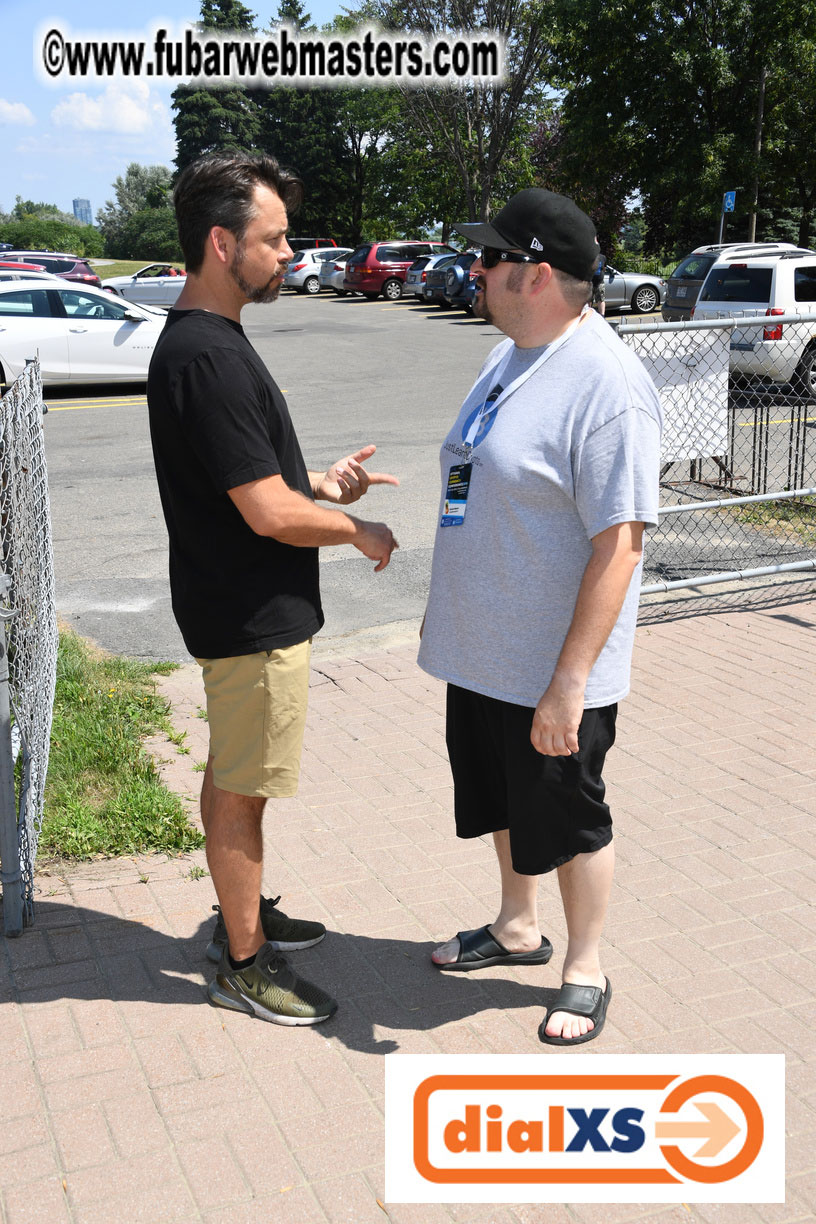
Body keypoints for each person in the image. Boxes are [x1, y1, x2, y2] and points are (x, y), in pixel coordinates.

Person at [147, 151, 398, 1027]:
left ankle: (242, 913)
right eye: (275, 237)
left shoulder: (208, 343)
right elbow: (263, 512)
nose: (290, 252)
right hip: (251, 621)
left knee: (233, 777)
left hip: (238, 610)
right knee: (242, 794)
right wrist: (359, 531)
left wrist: (322, 487)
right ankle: (244, 962)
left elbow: (256, 483)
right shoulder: (206, 356)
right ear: (223, 244)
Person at [417, 188, 662, 1045]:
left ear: (537, 276)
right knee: (500, 802)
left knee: (568, 816)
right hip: (483, 651)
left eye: (489, 259)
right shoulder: (510, 353)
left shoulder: (608, 384)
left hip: (551, 668)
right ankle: (518, 927)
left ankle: (585, 966)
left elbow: (621, 546)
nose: (474, 270)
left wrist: (569, 684)